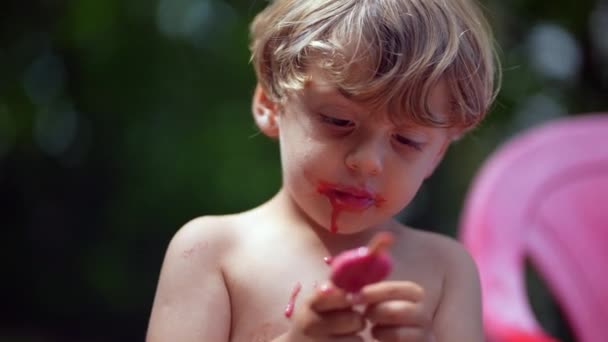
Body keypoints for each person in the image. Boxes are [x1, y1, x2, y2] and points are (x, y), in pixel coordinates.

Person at [147, 0, 500, 340]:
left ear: (437, 153)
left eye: (407, 140)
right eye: (339, 120)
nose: (368, 162)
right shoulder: (213, 253)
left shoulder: (446, 272)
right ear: (271, 103)